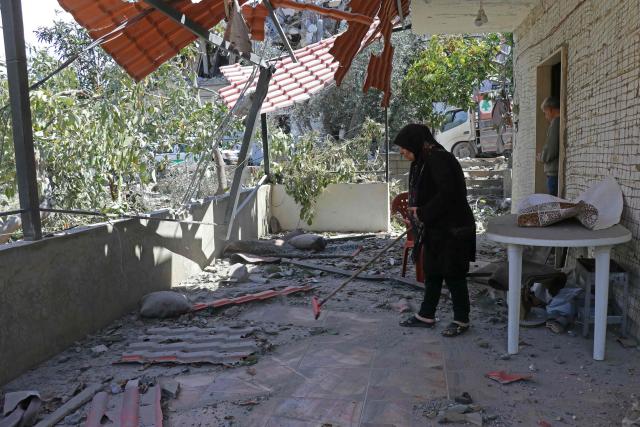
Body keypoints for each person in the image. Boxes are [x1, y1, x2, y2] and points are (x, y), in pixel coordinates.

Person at [394, 124, 476, 337]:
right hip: (436, 227)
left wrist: (422, 212)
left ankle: (461, 319)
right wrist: (418, 214)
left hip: (454, 227)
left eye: (403, 147)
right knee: (432, 271)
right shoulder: (423, 160)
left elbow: (449, 194)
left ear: (415, 142)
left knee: (453, 274)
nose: (401, 151)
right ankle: (426, 315)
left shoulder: (439, 159)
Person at [538, 96, 560, 196]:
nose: (546, 116)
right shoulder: (558, 122)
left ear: (550, 110)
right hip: (554, 173)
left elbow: (551, 148)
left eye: (545, 113)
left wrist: (542, 157)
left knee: (554, 204)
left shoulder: (556, 122)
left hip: (554, 174)